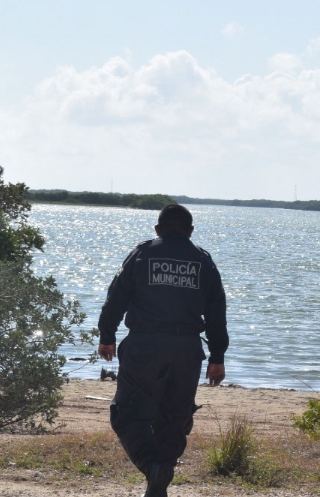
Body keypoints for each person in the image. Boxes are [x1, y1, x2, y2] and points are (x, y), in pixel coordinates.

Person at [97, 204, 228, 497]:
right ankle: (161, 477)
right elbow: (217, 313)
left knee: (128, 414)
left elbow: (116, 296)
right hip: (186, 350)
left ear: (157, 230)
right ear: (190, 231)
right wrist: (218, 357)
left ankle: (152, 467)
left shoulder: (141, 254)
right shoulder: (203, 262)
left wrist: (107, 335)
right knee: (174, 418)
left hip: (144, 345)